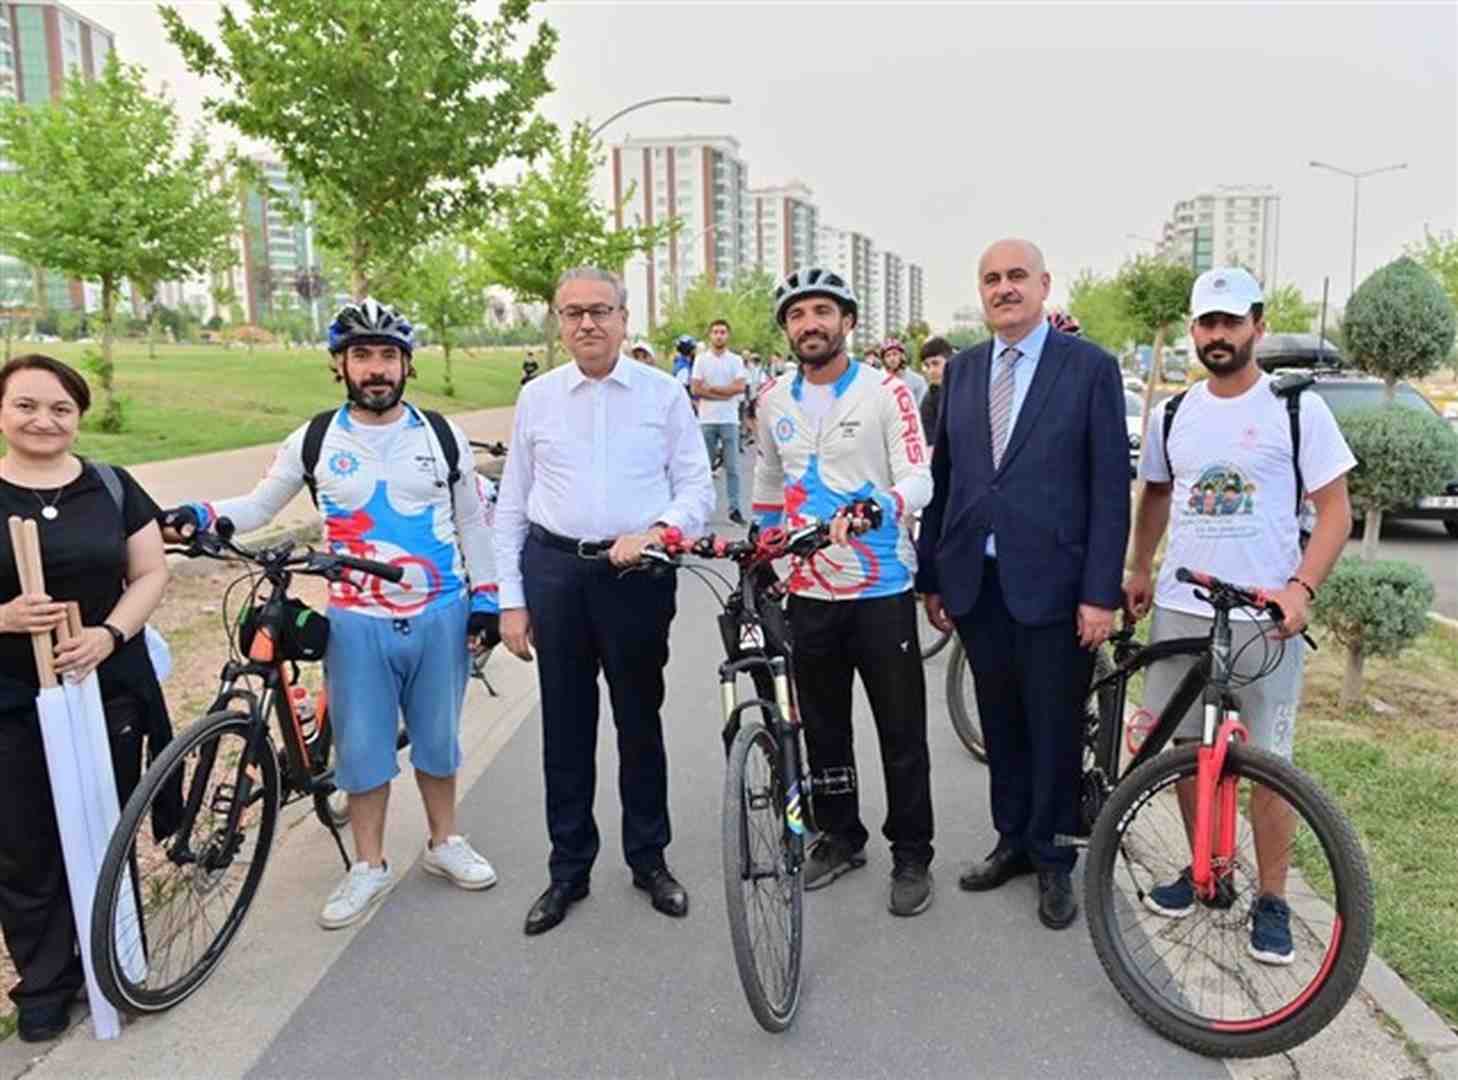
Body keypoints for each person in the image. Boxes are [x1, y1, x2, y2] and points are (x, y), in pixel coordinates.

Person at [162, 298, 502, 931]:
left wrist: (487, 599)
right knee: (364, 752)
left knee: (437, 742)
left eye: (388, 356)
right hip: (355, 621)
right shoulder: (315, 438)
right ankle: (368, 865)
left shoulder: (440, 434)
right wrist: (204, 515)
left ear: (407, 365)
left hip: (440, 612)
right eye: (362, 356)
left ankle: (443, 843)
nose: (376, 369)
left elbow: (472, 522)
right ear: (339, 365)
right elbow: (261, 505)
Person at [1123, 267, 1355, 965]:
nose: (1217, 335)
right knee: (1187, 756)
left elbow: (1336, 510)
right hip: (1182, 608)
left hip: (1265, 618)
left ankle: (1274, 899)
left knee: (1266, 764)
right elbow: (1157, 496)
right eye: (1206, 323)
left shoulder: (1296, 409)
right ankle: (1208, 875)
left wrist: (1302, 588)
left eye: (1230, 322)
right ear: (1193, 330)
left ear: (1255, 323)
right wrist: (1140, 568)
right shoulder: (1173, 413)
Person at [916, 238, 1129, 931]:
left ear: (1043, 284)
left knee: (1054, 724)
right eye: (991, 279)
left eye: (1016, 277)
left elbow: (1108, 489)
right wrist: (932, 575)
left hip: (1056, 585)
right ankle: (1010, 840)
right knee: (1001, 719)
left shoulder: (1090, 368)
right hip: (978, 581)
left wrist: (1100, 592)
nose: (1004, 288)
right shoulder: (965, 372)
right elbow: (944, 480)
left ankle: (1054, 857)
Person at [495, 267, 714, 936]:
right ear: (557, 323)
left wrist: (657, 533)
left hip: (636, 577)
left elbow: (697, 491)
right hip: (555, 572)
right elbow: (510, 505)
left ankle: (649, 857)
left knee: (638, 719)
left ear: (624, 317)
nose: (586, 323)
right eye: (572, 313)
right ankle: (569, 868)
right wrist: (510, 599)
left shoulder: (664, 395)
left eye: (600, 311)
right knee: (565, 725)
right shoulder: (537, 398)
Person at [752, 268, 937, 917]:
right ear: (786, 330)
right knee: (824, 727)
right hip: (807, 592)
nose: (810, 324)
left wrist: (880, 506)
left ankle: (913, 851)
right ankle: (840, 833)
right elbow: (769, 483)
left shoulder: (887, 392)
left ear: (847, 322)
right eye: (797, 315)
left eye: (822, 312)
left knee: (901, 730)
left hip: (881, 587)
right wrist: (764, 552)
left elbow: (920, 478)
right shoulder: (773, 398)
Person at [0, 355, 170, 1041]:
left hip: (107, 688)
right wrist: (5, 618)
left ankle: (114, 960)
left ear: (78, 416)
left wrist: (108, 634)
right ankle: (43, 982)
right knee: (22, 841)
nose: (44, 420)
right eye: (26, 405)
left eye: (61, 408)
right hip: (12, 697)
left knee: (105, 826)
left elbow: (151, 571)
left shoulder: (110, 485)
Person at [692, 319, 748, 525]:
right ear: (710, 335)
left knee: (733, 468)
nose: (719, 335)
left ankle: (734, 509)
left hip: (729, 420)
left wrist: (712, 390)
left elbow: (740, 387)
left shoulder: (735, 360)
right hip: (706, 420)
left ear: (728, 335)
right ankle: (702, 509)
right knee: (703, 468)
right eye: (715, 332)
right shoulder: (701, 360)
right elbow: (696, 389)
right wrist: (725, 393)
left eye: (723, 332)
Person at [918, 336, 954, 441]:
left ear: (950, 360)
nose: (931, 371)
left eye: (935, 363)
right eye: (927, 366)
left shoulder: (971, 387)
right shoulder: (929, 400)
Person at [882, 338, 929, 409]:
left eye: (895, 354)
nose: (892, 358)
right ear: (884, 360)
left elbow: (923, 408)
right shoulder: (879, 380)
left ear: (902, 356)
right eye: (888, 355)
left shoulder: (917, 381)